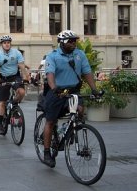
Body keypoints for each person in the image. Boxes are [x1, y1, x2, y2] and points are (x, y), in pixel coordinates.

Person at [42, 30, 100, 168]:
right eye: (71, 41)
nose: (74, 43)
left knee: (80, 110)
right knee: (50, 121)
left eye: (75, 41)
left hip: (73, 90)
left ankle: (69, 129)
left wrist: (94, 89)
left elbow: (87, 72)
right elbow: (50, 74)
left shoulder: (80, 54)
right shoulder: (53, 56)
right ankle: (46, 153)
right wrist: (54, 88)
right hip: (57, 91)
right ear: (61, 43)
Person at [0, 35, 29, 136]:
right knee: (2, 103)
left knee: (21, 92)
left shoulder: (16, 53)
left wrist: (26, 77)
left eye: (8, 42)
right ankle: (0, 123)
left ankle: (14, 103)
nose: (7, 44)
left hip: (14, 76)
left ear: (10, 43)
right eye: (4, 43)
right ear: (2, 44)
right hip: (3, 78)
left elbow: (22, 66)